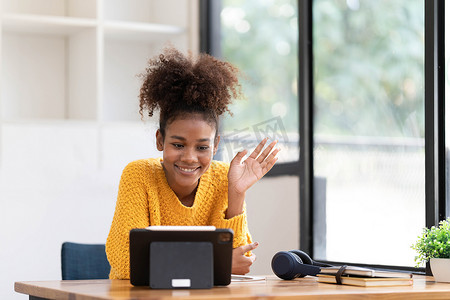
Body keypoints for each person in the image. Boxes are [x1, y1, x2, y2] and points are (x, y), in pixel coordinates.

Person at [105, 47, 280, 279]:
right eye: (178, 145)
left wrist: (236, 194)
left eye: (202, 147)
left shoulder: (224, 177)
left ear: (215, 145)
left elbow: (240, 261)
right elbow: (128, 261)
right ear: (160, 140)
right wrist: (215, 262)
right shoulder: (139, 174)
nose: (189, 157)